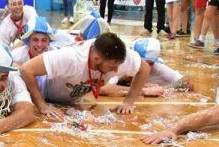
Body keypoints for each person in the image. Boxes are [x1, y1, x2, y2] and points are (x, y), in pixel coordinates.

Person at [20, 32, 151, 120]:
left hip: (76, 95)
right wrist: (42, 106)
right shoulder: (70, 57)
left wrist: (128, 102)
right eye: (112, 67)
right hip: (48, 93)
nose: (116, 70)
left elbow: (144, 68)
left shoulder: (118, 56)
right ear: (96, 58)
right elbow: (26, 70)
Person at [101, 38, 189, 97]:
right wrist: (142, 90)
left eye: (151, 63)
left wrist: (162, 89)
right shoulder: (123, 66)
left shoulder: (157, 67)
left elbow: (186, 83)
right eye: (143, 62)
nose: (147, 67)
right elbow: (103, 89)